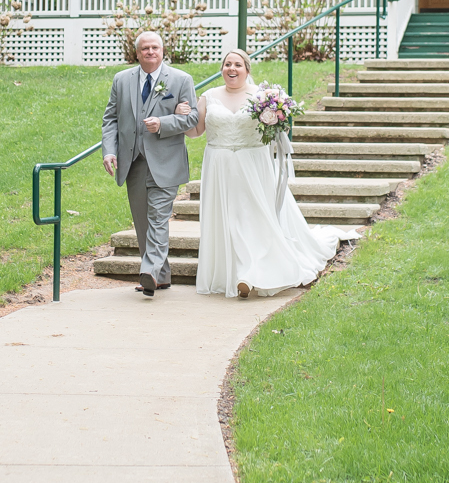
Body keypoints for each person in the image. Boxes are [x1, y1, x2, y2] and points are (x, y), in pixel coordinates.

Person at [178, 48, 342, 299]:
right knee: (227, 218)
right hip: (219, 164)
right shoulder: (209, 97)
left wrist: (277, 117)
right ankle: (231, 273)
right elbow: (196, 132)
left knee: (251, 216)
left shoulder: (263, 96)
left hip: (253, 163)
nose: (231, 69)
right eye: (227, 64)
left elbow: (278, 129)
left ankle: (251, 273)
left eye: (237, 65)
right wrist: (181, 118)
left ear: (247, 69)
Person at [101, 31, 199, 298]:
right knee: (142, 221)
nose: (150, 52)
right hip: (133, 162)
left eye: (155, 47)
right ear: (137, 53)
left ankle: (149, 271)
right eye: (145, 48)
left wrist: (163, 124)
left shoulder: (181, 80)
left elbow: (192, 119)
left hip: (166, 161)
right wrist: (109, 151)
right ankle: (162, 276)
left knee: (157, 218)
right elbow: (111, 118)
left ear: (163, 50)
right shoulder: (122, 80)